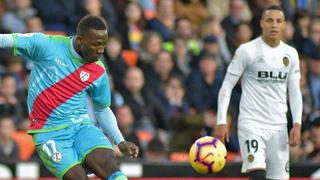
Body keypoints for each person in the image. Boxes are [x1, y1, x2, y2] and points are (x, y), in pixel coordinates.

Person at [0, 15, 139, 179]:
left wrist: (120, 141)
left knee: (109, 166)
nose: (101, 50)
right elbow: (4, 40)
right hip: (49, 133)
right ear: (80, 40)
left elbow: (102, 109)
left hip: (81, 127)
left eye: (103, 44)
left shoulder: (98, 71)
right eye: (95, 44)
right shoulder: (47, 46)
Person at [215, 5, 302, 180]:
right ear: (262, 23)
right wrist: (221, 121)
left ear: (284, 25)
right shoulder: (247, 50)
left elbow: (294, 92)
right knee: (258, 175)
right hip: (251, 124)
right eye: (269, 20)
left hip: (279, 127)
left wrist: (297, 123)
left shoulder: (291, 54)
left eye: (278, 21)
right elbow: (227, 86)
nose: (274, 25)